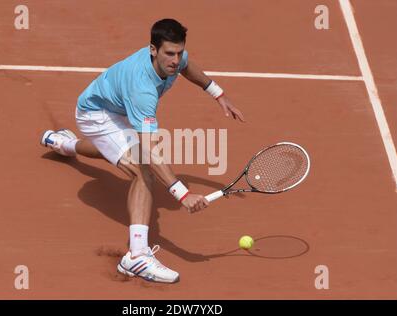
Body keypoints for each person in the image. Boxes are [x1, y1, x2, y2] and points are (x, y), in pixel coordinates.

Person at [40, 18, 245, 283]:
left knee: (112, 149)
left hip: (118, 110)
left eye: (179, 52)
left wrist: (218, 94)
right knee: (142, 169)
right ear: (153, 50)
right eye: (169, 54)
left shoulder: (173, 57)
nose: (175, 60)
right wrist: (182, 194)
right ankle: (136, 258)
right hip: (97, 115)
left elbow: (187, 67)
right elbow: (148, 150)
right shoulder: (142, 91)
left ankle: (63, 143)